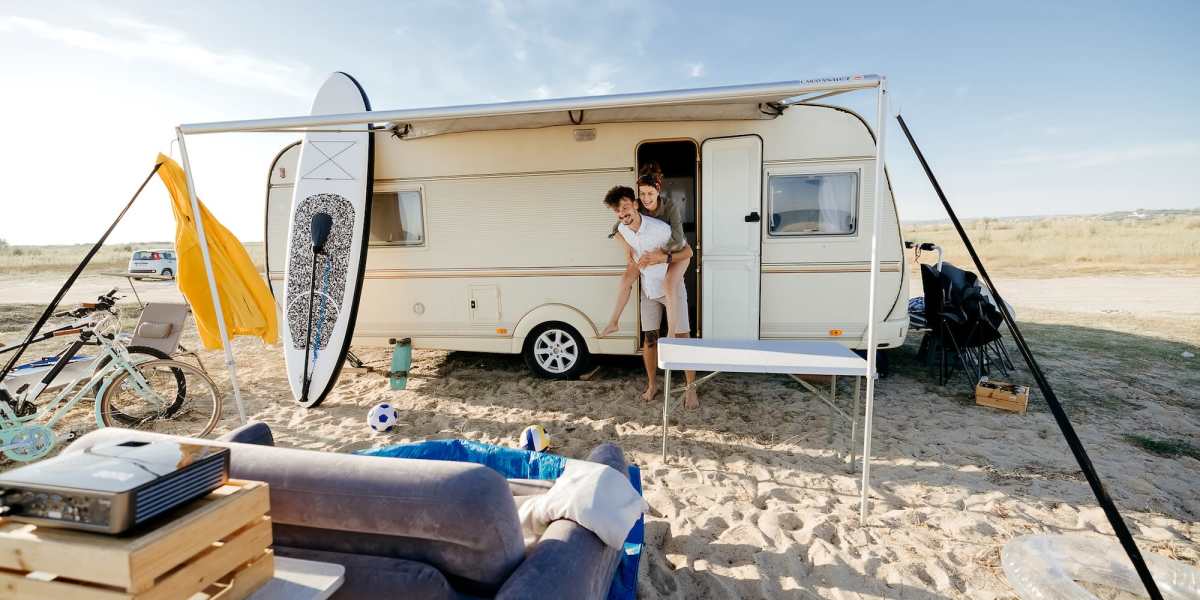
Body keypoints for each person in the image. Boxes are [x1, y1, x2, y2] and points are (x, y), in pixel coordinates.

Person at [599, 185, 698, 408]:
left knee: (682, 339)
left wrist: (660, 259)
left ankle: (691, 388)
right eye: (618, 211)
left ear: (635, 204)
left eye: (625, 207)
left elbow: (687, 253)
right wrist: (628, 254)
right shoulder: (623, 229)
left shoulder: (659, 229)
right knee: (650, 339)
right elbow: (618, 235)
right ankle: (652, 384)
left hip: (670, 287)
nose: (623, 214)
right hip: (649, 290)